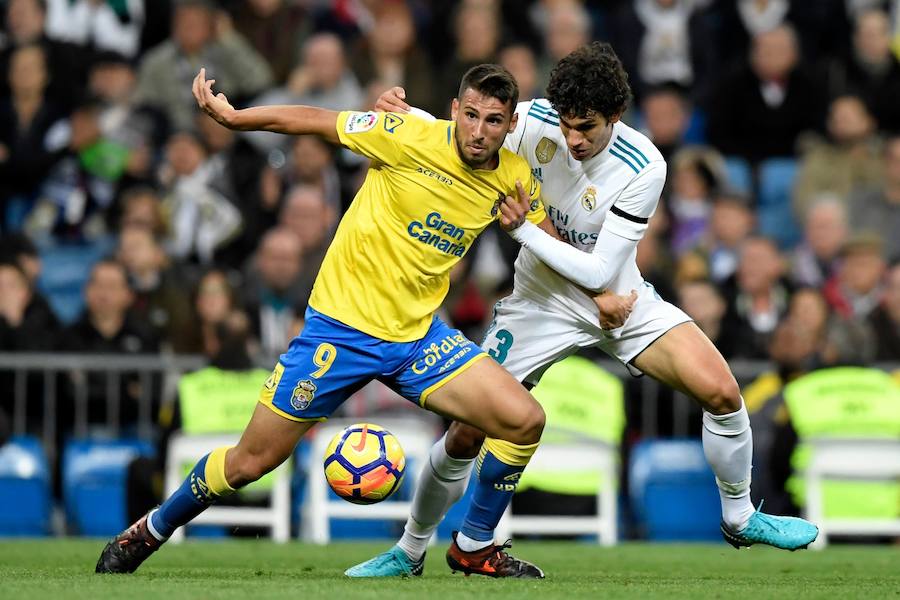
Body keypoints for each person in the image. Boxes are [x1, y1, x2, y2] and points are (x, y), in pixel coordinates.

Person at [351, 41, 819, 579]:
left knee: (722, 391)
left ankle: (739, 517)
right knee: (466, 431)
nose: (572, 139)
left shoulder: (644, 165)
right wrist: (406, 114)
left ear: (616, 117)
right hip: (538, 302)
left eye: (587, 129)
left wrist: (523, 228)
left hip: (619, 301)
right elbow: (467, 131)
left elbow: (599, 272)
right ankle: (409, 551)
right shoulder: (534, 122)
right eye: (566, 126)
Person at [96, 62, 579, 577]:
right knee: (249, 463)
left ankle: (475, 547)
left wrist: (535, 236)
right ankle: (149, 530)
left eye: (495, 121)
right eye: (472, 115)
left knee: (524, 420)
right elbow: (312, 119)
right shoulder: (405, 134)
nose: (479, 132)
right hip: (338, 333)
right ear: (454, 110)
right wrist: (237, 120)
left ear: (510, 127)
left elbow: (559, 250)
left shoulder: (512, 176)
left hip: (418, 339)